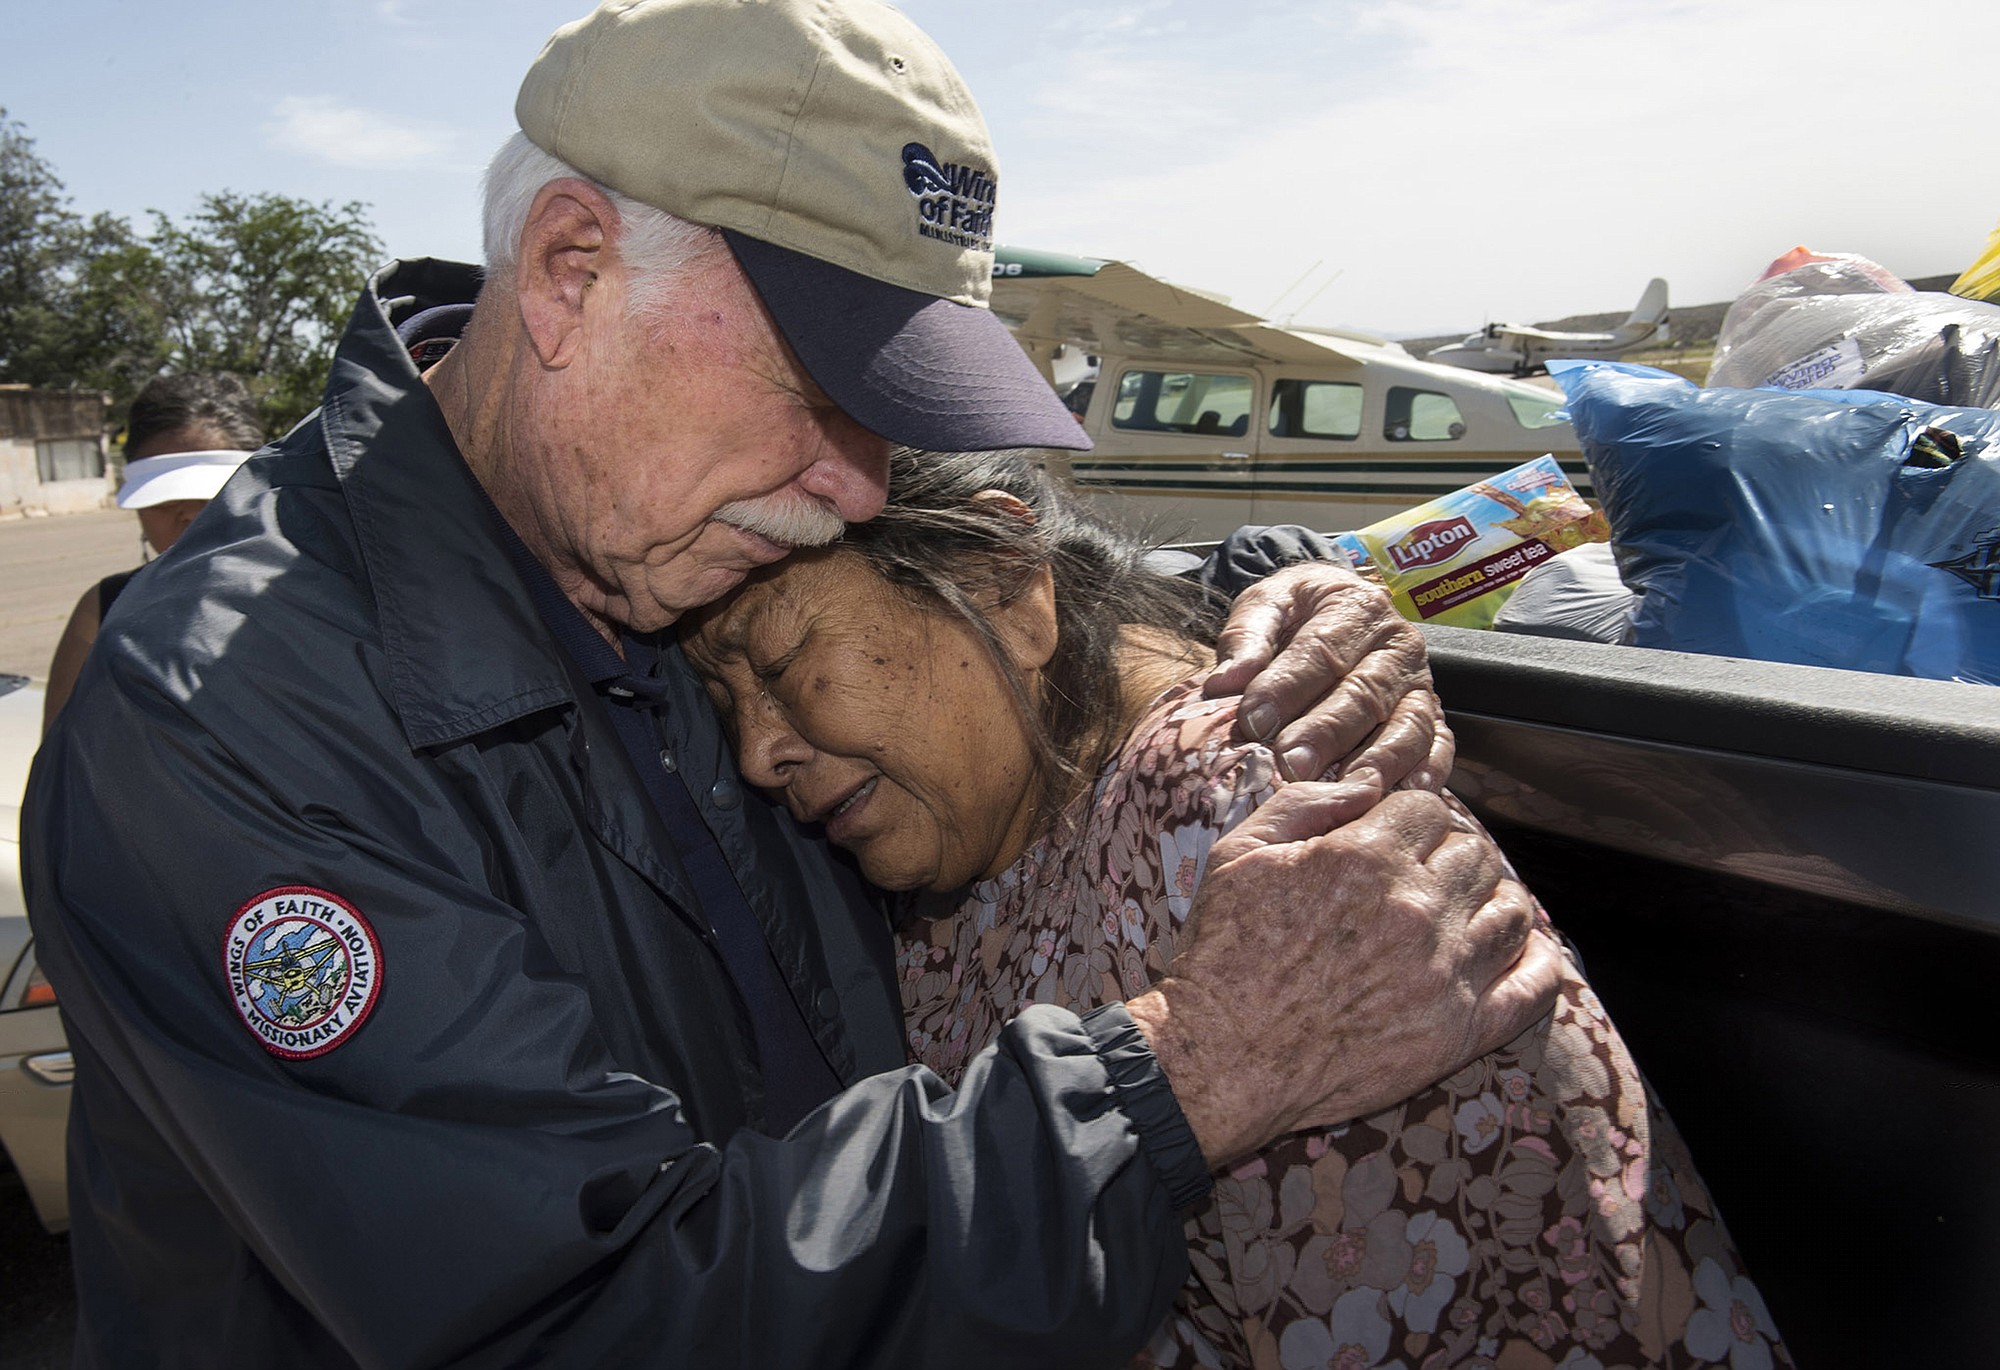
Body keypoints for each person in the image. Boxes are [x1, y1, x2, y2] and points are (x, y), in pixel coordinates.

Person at [25, 1, 1558, 1365]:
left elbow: (1018, 578)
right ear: (569, 272)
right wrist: (1191, 1069)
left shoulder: (645, 521)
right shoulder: (225, 724)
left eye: (899, 417)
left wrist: (1302, 594)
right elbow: (589, 1305)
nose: (854, 486)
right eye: (824, 397)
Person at [686, 449, 1794, 1370]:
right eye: (719, 700)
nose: (756, 749)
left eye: (781, 661)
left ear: (1000, 583)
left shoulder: (1234, 816)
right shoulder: (960, 849)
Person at [40, 372, 264, 732]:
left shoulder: (311, 598)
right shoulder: (103, 610)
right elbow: (57, 761)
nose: (189, 513)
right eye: (163, 499)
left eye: (212, 494)